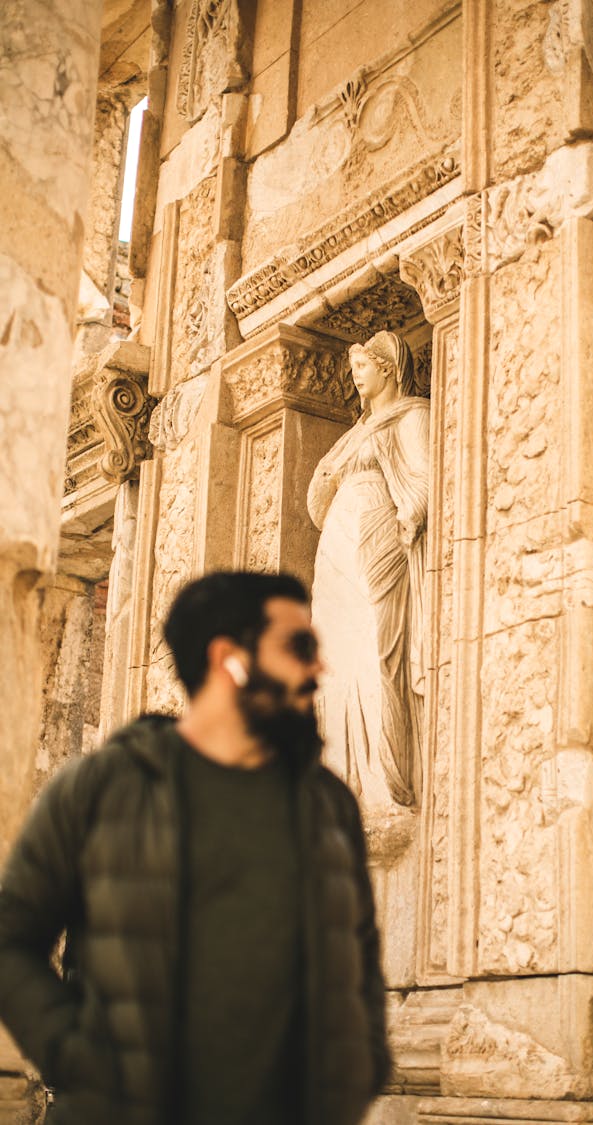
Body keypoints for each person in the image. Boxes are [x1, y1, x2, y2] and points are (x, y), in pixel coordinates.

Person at [0, 570, 390, 1125]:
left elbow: (358, 964)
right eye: (299, 647)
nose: (319, 667)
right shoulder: (100, 789)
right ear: (227, 658)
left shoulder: (328, 807)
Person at [307, 330, 429, 812]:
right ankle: (343, 779)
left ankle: (386, 780)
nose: (356, 373)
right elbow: (317, 507)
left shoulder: (413, 414)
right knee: (332, 658)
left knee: (378, 649)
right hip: (337, 543)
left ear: (390, 368)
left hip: (379, 538)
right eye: (354, 365)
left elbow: (423, 478)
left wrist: (412, 513)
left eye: (365, 364)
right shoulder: (351, 435)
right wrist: (324, 478)